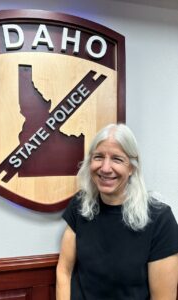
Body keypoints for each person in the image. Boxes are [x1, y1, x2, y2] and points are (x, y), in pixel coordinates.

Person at [56, 123, 178, 300]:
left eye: (117, 159)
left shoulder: (160, 219)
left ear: (132, 168)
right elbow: (63, 272)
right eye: (98, 157)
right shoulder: (80, 205)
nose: (105, 168)